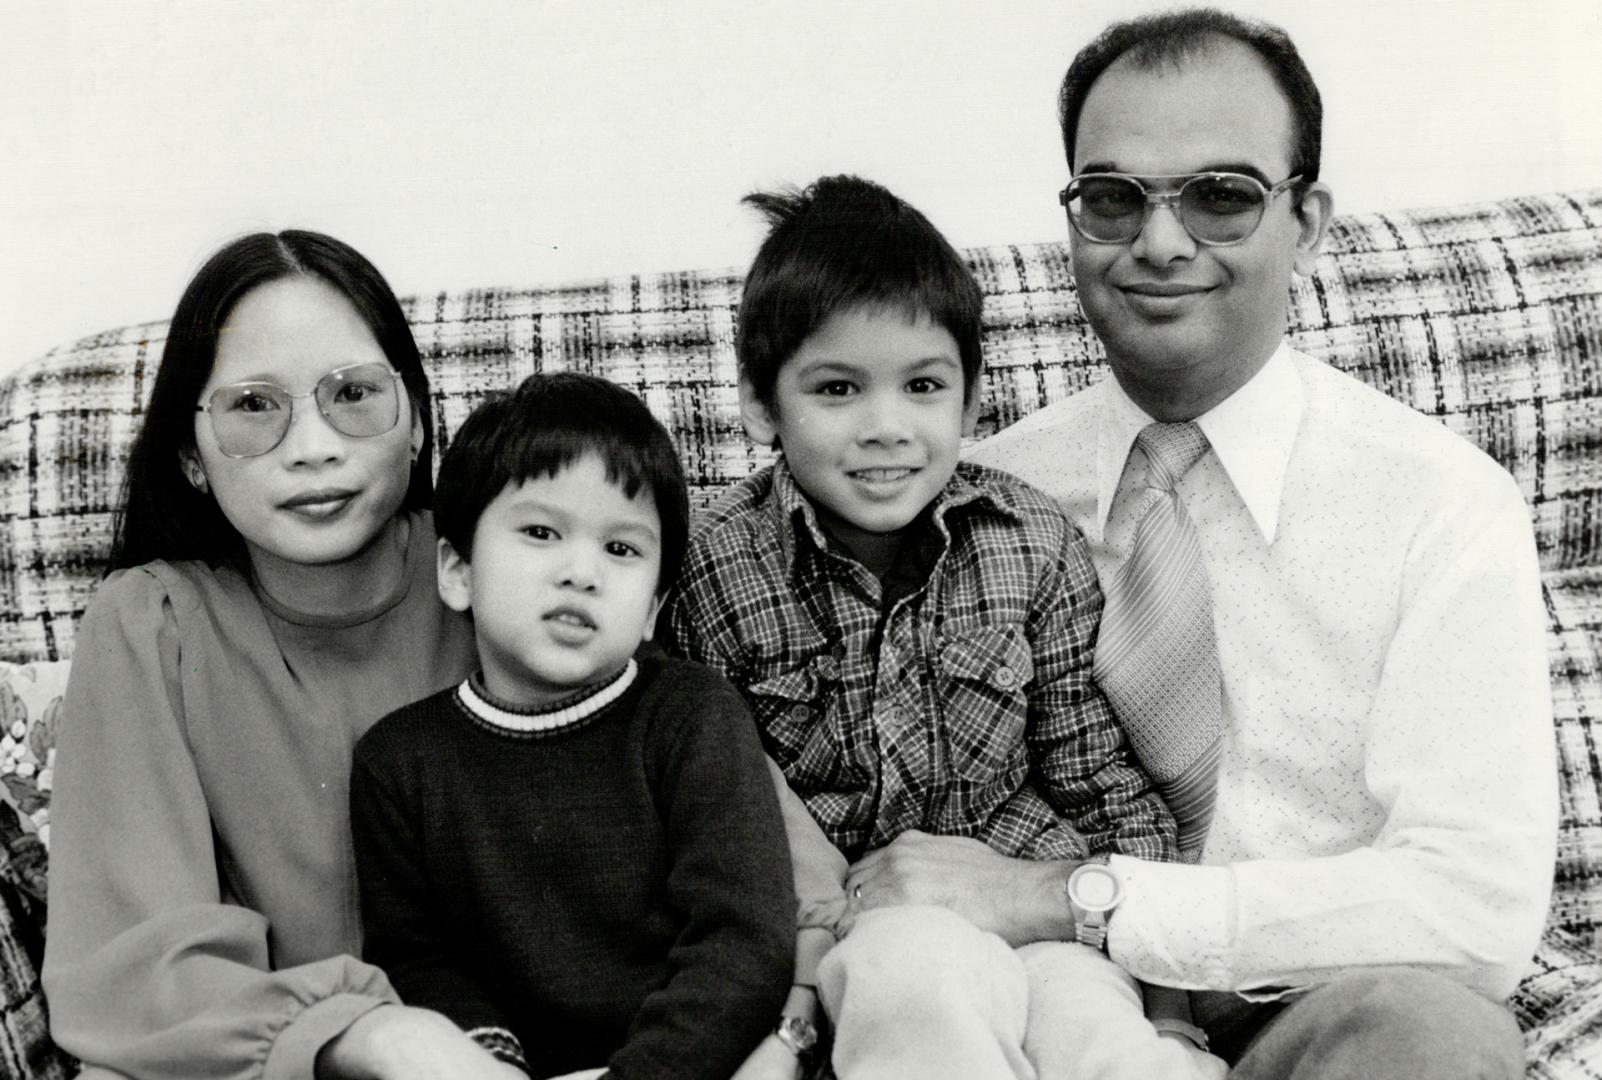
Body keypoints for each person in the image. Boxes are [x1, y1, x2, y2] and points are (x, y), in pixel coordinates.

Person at [963, 9, 1556, 1078]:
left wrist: (1095, 900)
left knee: (1439, 1041)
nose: (1159, 241)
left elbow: (1475, 901)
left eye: (1221, 197)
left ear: (1310, 222)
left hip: (1309, 998)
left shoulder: (1441, 504)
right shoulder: (986, 494)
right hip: (1049, 998)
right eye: (1111, 198)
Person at [664, 174, 1222, 1080]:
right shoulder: (711, 566)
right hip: (867, 946)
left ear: (969, 404)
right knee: (917, 978)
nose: (887, 427)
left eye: (923, 386)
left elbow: (1097, 777)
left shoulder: (1030, 544)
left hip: (1032, 911)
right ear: (762, 406)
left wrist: (1173, 1018)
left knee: (1107, 1043)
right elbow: (705, 809)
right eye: (838, 388)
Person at [41, 231, 519, 1079]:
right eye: (255, 406)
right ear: (190, 456)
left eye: (354, 395)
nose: (313, 447)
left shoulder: (504, 568)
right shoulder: (151, 623)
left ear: (414, 421)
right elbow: (138, 970)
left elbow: (718, 810)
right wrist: (368, 1034)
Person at [350, 372, 795, 1080]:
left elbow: (744, 939)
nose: (582, 571)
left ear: (652, 608)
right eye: (540, 532)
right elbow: (416, 959)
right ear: (458, 570)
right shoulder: (399, 761)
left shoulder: (691, 715)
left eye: (622, 550)